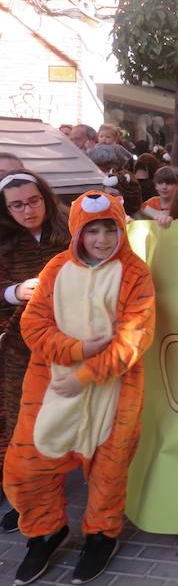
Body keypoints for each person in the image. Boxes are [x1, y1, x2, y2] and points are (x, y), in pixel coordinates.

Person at [5, 190, 155, 584]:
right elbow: (33, 324)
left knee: (108, 471)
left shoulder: (136, 273)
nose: (102, 240)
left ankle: (101, 536)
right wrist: (77, 350)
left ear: (122, 229)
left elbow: (135, 337)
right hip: (50, 383)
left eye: (110, 229)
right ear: (77, 232)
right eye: (93, 231)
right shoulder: (56, 268)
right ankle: (44, 531)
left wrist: (87, 373)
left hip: (116, 388)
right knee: (25, 467)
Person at [0, 171, 71, 534]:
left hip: (68, 345)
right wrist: (14, 292)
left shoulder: (70, 230)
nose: (27, 211)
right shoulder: (5, 242)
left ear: (44, 197)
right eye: (16, 205)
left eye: (33, 201)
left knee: (62, 423)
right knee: (20, 425)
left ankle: (50, 495)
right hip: (20, 349)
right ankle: (25, 500)